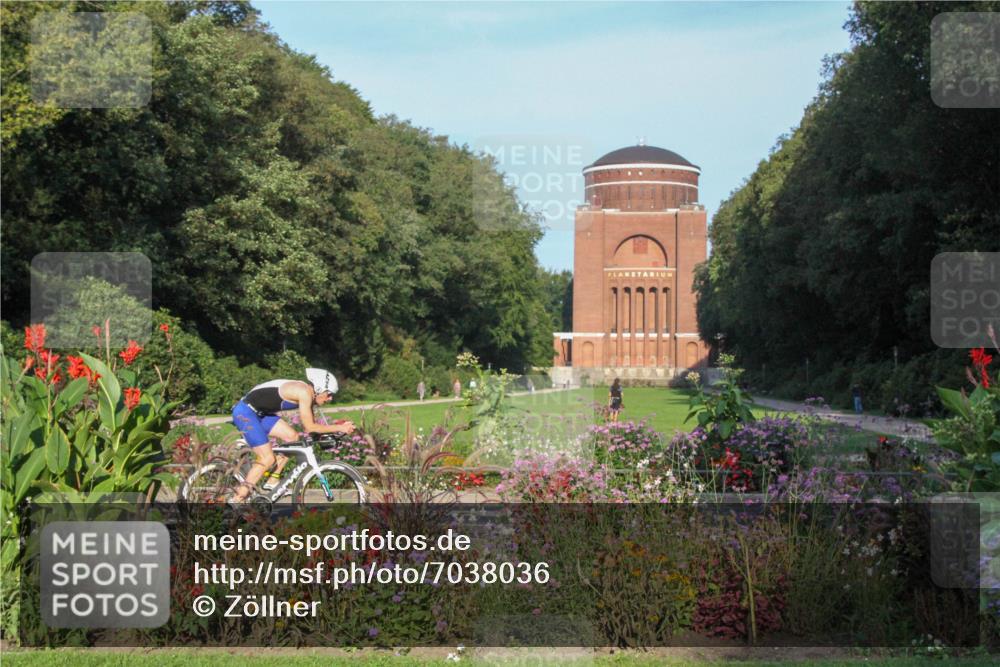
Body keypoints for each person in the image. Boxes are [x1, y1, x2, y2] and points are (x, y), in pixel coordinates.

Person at [230, 368, 355, 503]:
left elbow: (311, 430)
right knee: (267, 458)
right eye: (329, 394)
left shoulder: (310, 395)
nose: (330, 398)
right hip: (245, 412)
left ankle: (272, 480)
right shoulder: (304, 392)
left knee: (292, 438)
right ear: (319, 388)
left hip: (261, 413)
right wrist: (339, 427)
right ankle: (237, 500)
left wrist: (335, 429)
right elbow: (310, 427)